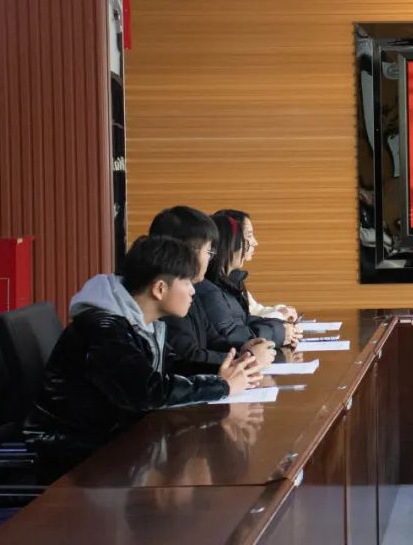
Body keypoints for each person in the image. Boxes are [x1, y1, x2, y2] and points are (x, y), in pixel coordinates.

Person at [24, 236, 259, 481]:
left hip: (114, 441)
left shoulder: (141, 322)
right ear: (160, 289)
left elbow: (174, 365)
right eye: (187, 282)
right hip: (75, 453)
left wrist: (230, 370)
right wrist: (222, 386)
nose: (193, 291)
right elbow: (145, 391)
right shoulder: (105, 328)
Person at [150, 206, 276, 372]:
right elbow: (187, 359)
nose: (211, 258)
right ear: (188, 252)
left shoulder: (191, 290)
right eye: (209, 251)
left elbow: (213, 340)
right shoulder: (170, 296)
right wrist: (245, 358)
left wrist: (243, 349)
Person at [196, 214, 301, 352]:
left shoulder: (227, 285)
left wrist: (283, 327)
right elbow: (231, 337)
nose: (250, 246)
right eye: (244, 242)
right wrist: (280, 332)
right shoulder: (211, 291)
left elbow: (246, 321)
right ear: (229, 247)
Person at [213, 209, 297, 323]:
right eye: (249, 235)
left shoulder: (234, 277)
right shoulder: (214, 286)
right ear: (232, 239)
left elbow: (254, 312)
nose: (255, 242)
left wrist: (281, 311)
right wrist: (279, 315)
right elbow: (244, 326)